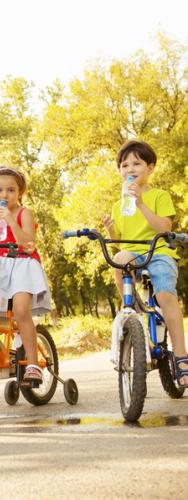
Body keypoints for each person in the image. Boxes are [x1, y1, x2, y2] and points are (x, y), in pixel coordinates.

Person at [102, 139, 188, 388]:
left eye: (136, 163)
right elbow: (119, 243)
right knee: (119, 260)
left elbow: (164, 228)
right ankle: (131, 309)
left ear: (150, 168)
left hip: (159, 252)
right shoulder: (119, 205)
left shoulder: (159, 196)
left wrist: (140, 202)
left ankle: (182, 357)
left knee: (165, 297)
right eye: (124, 165)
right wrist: (110, 230)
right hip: (133, 254)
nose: (129, 169)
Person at [0, 166, 52, 384]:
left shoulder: (23, 213)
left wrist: (10, 220)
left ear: (19, 193)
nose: (4, 195)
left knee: (20, 310)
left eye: (10, 190)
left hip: (23, 264)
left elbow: (27, 243)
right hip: (0, 264)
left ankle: (33, 365)